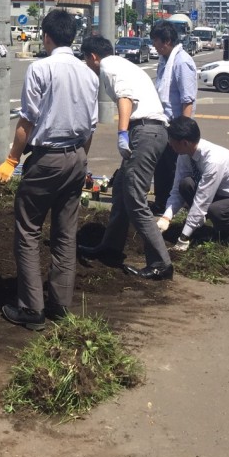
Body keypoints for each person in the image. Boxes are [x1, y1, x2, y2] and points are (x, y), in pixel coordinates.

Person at [0, 9, 99, 330]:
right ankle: (59, 304)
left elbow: (27, 121)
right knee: (65, 235)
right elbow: (90, 128)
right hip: (77, 157)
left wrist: (12, 159)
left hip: (46, 158)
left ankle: (31, 309)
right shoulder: (90, 75)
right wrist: (82, 164)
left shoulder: (41, 69)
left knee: (28, 231)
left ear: (48, 37)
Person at [79, 35, 173, 280]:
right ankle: (110, 246)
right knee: (121, 189)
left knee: (134, 196)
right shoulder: (123, 65)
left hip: (144, 130)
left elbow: (125, 97)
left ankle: (161, 263)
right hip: (150, 131)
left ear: (93, 56)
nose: (88, 65)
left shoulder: (109, 66)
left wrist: (122, 133)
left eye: (86, 60)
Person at [157, 117, 229, 255]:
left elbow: (202, 201)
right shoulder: (185, 154)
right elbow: (177, 190)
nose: (169, 144)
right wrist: (166, 217)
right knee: (186, 184)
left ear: (184, 142)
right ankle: (209, 229)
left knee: (216, 210)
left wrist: (184, 238)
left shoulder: (214, 161)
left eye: (171, 140)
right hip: (222, 196)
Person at [148, 21, 197, 211]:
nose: (154, 46)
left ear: (167, 41)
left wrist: (183, 130)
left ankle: (175, 205)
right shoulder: (165, 60)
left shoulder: (182, 61)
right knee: (162, 166)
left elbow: (187, 99)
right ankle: (161, 202)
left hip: (176, 125)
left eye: (156, 42)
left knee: (175, 168)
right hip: (164, 122)